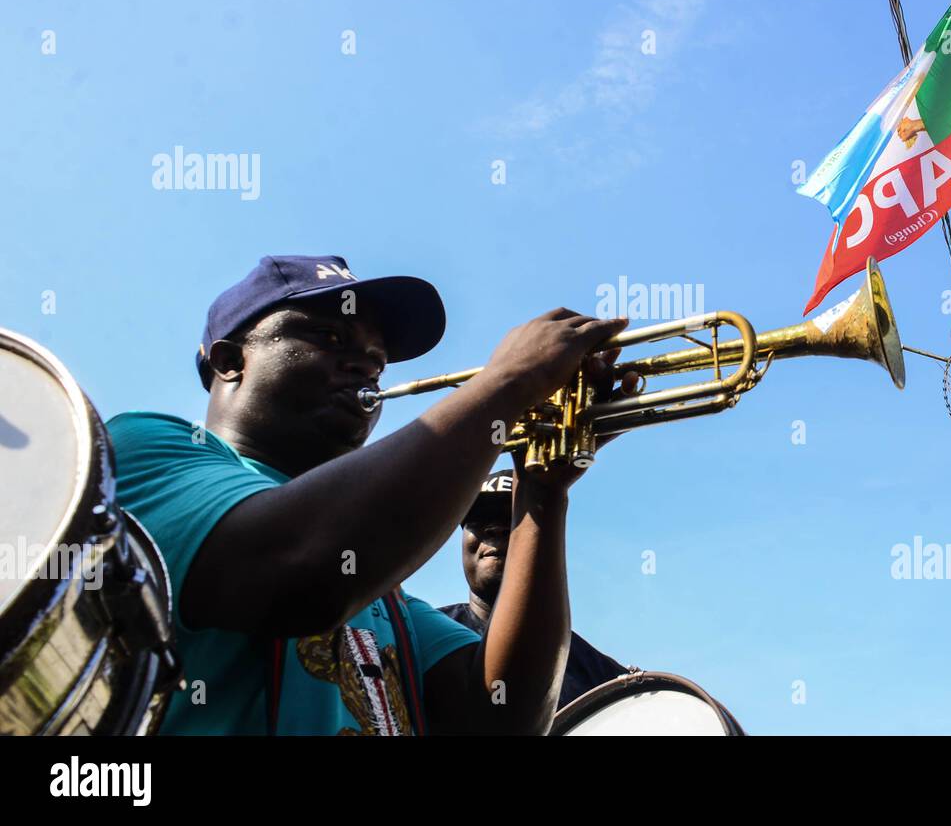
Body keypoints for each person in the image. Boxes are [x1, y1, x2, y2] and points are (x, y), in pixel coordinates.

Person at [106, 254, 628, 735]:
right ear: (229, 361)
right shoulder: (145, 446)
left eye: (377, 358)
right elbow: (299, 571)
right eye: (329, 338)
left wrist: (541, 491)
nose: (366, 365)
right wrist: (508, 383)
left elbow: (503, 719)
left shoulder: (391, 603)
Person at [440, 470, 628, 710]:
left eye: (513, 520)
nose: (496, 529)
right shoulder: (420, 639)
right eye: (478, 521)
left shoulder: (601, 675)